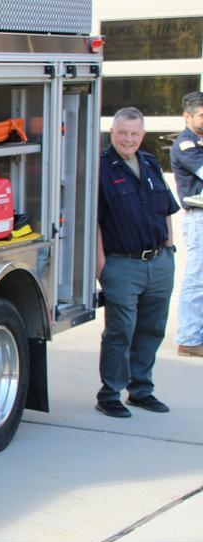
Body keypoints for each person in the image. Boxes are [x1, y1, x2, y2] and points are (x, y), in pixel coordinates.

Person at [95, 107, 179, 418]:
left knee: (152, 328)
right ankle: (110, 394)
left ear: (142, 135)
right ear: (112, 134)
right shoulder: (101, 168)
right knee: (121, 331)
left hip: (159, 262)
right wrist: (101, 266)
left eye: (134, 133)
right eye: (122, 133)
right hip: (121, 265)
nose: (128, 139)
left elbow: (166, 210)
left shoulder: (150, 163)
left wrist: (169, 250)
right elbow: (94, 223)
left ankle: (141, 391)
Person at [170, 91, 203, 358]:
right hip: (198, 218)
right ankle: (189, 339)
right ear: (187, 116)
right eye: (202, 114)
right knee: (197, 279)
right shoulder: (186, 146)